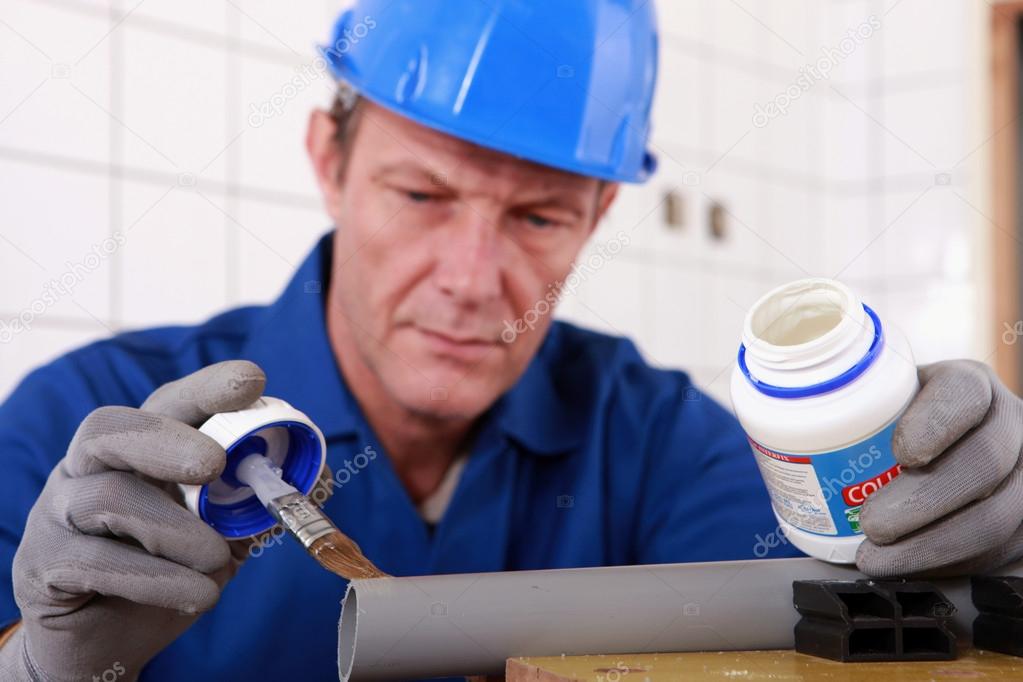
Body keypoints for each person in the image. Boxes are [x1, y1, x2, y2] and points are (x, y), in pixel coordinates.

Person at [3, 1, 1023, 679]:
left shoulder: (656, 437)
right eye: (421, 194)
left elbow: (841, 615)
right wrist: (41, 665)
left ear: (598, 213)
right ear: (330, 159)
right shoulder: (83, 422)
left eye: (538, 217)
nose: (472, 278)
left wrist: (978, 553)